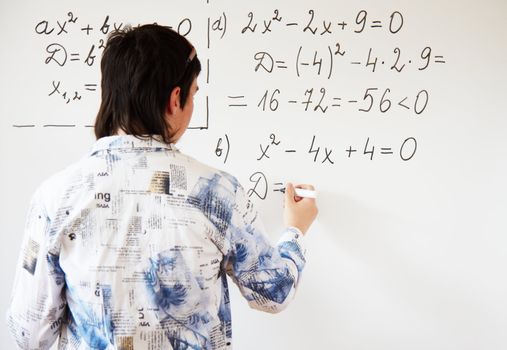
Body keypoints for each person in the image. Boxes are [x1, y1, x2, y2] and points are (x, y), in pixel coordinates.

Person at [6, 24, 318, 350]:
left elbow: (29, 332)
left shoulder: (55, 197)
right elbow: (273, 292)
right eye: (193, 93)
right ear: (175, 99)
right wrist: (295, 230)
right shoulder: (216, 193)